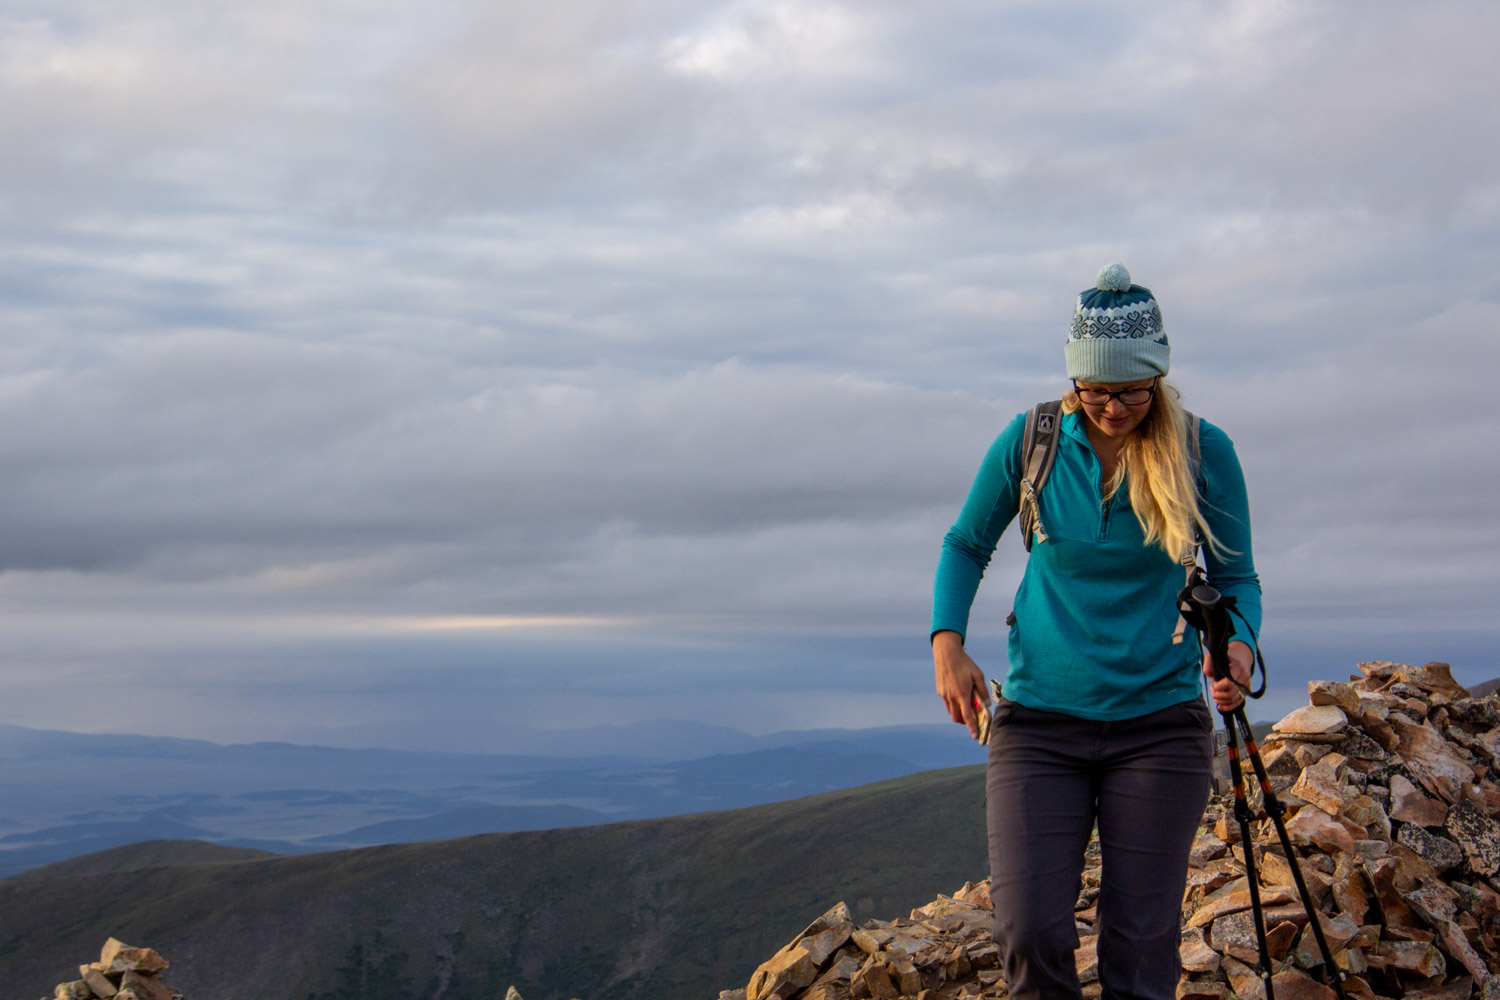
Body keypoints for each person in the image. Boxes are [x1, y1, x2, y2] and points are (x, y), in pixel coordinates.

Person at [930, 264, 1260, 1000]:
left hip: (1160, 724)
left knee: (1141, 945)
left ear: (1159, 377)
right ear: (1074, 382)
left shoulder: (1204, 452)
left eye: (1132, 392)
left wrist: (1236, 649)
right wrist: (946, 643)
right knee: (1031, 930)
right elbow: (965, 544)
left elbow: (1238, 579)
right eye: (1096, 392)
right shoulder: (1033, 440)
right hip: (1039, 723)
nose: (1112, 409)